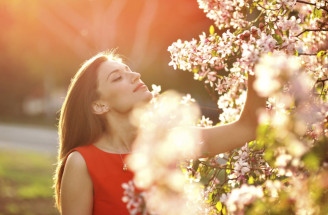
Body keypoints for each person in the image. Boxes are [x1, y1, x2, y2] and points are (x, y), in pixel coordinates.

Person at [53, 51, 266, 215]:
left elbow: (247, 127)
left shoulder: (167, 143)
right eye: (118, 78)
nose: (135, 75)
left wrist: (256, 60)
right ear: (99, 105)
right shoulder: (81, 162)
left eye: (130, 70)